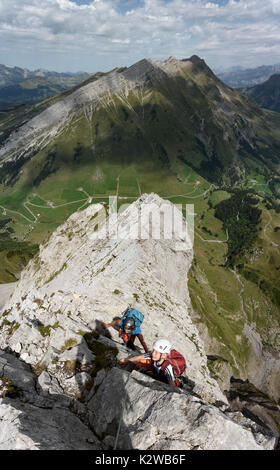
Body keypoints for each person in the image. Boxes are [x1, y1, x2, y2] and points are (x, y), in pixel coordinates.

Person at [119, 338, 186, 387]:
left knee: (170, 382)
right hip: (158, 372)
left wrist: (157, 382)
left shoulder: (167, 368)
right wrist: (127, 360)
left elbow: (172, 386)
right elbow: (140, 357)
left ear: (164, 355)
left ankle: (179, 382)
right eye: (153, 350)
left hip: (165, 378)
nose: (153, 353)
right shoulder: (154, 356)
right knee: (142, 361)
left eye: (156, 352)